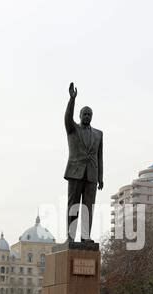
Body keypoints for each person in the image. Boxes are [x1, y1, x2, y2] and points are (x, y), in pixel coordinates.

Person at [64, 82, 103, 242]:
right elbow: (67, 117)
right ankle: (71, 237)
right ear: (80, 116)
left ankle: (85, 236)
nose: (87, 116)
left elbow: (100, 156)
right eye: (84, 114)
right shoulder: (73, 129)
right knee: (73, 205)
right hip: (75, 173)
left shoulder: (98, 134)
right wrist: (72, 99)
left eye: (89, 114)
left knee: (88, 208)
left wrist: (100, 177)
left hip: (92, 176)